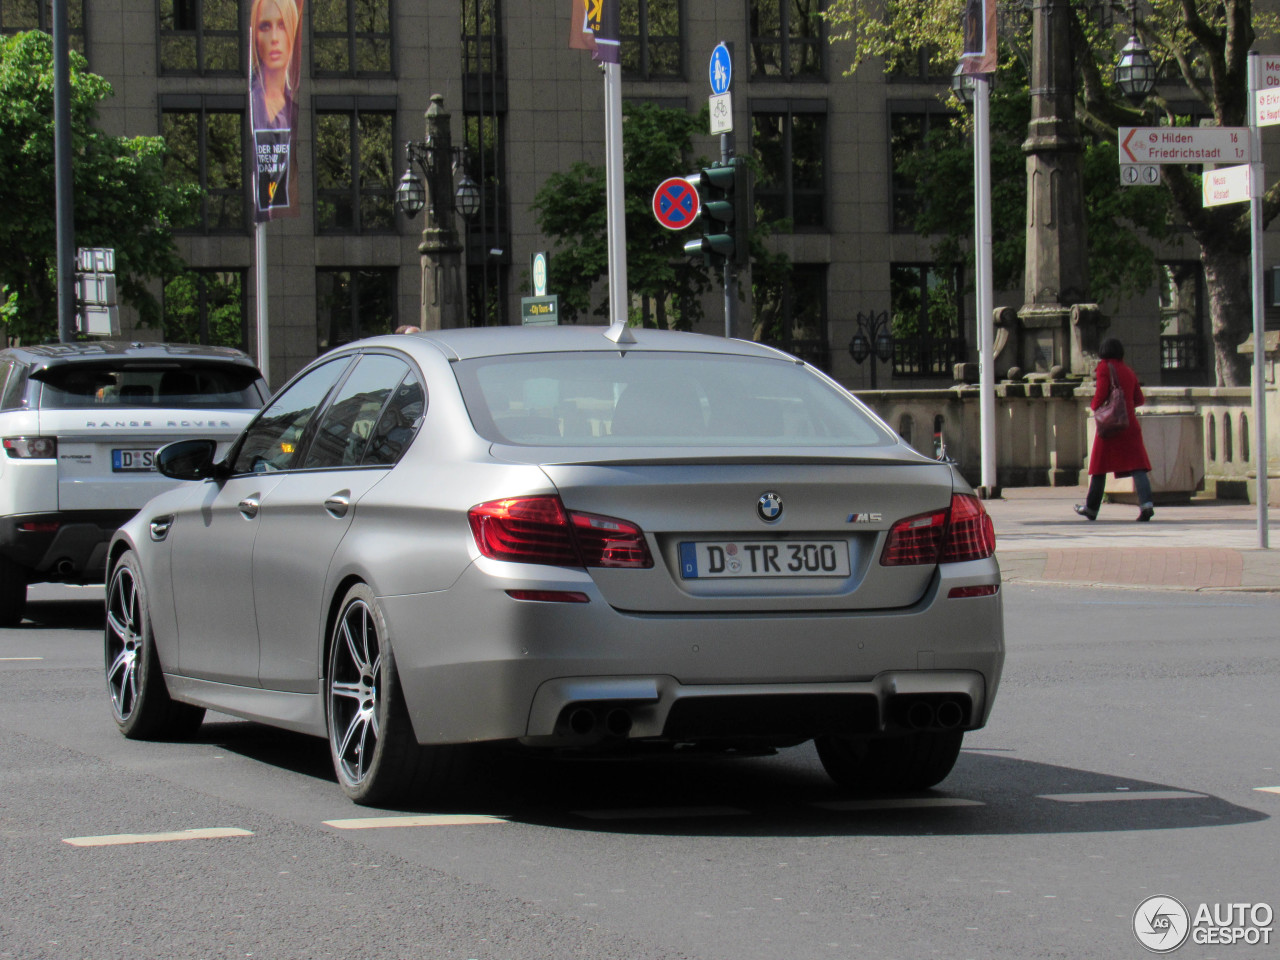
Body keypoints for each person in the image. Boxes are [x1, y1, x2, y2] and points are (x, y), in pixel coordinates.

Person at [1076, 337, 1155, 522]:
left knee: (1099, 467)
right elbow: (1139, 399)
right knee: (1138, 466)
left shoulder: (1105, 367)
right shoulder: (1128, 370)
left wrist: (1095, 407)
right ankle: (1146, 504)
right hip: (1129, 424)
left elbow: (1101, 393)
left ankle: (1092, 508)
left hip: (1111, 426)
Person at [249, 0, 299, 131]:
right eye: (265, 27)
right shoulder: (250, 101)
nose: (274, 38)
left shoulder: (297, 108)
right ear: (255, 36)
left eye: (282, 25)